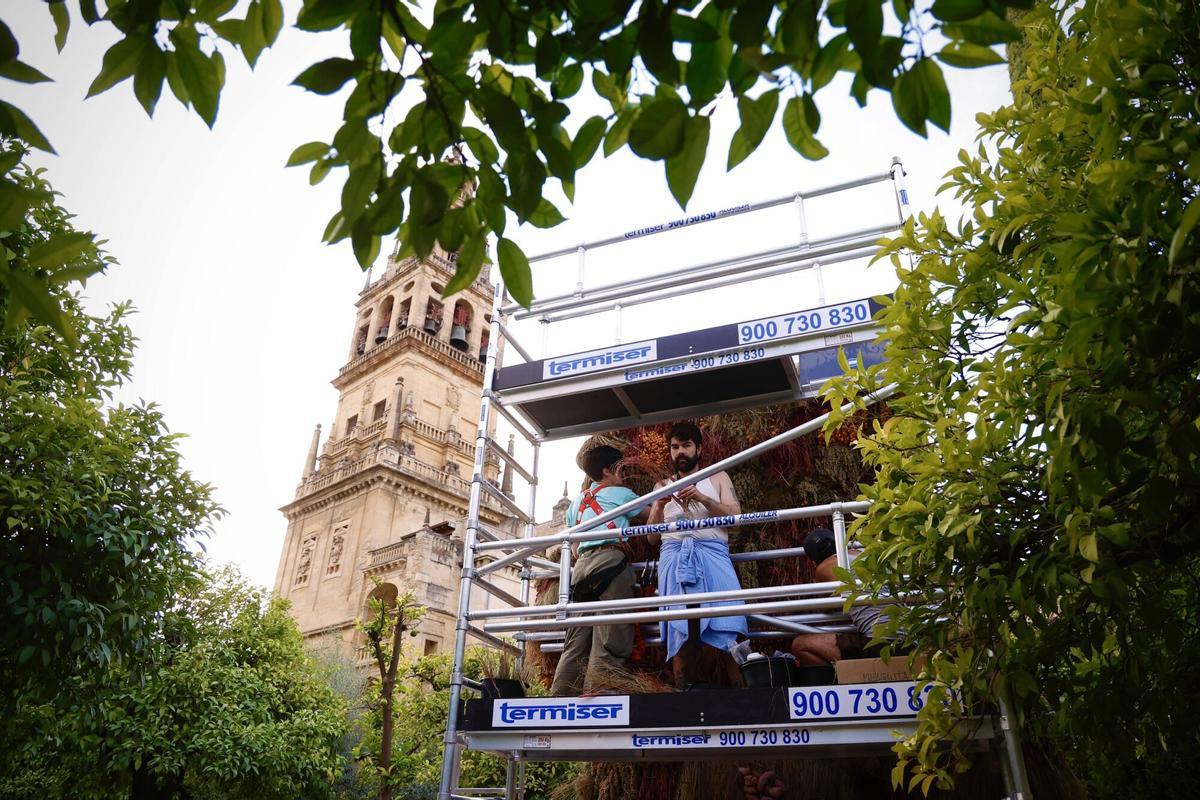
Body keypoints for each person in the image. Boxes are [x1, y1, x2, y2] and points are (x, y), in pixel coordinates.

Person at [647, 421, 747, 687]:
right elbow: (651, 537)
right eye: (675, 447)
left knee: (730, 626)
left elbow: (735, 517)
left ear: (699, 449)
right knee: (680, 632)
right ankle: (684, 697)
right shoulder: (661, 486)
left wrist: (703, 499)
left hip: (713, 555)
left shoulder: (718, 477)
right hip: (674, 559)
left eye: (686, 445)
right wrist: (658, 507)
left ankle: (745, 695)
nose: (680, 452)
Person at [549, 445, 648, 696]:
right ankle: (597, 699)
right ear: (607, 471)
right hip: (610, 563)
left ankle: (559, 699)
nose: (623, 475)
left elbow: (573, 548)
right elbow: (653, 517)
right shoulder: (622, 494)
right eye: (620, 469)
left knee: (576, 643)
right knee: (610, 638)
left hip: (581, 569)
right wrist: (661, 500)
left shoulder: (577, 503)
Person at [790, 527, 893, 666]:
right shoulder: (866, 552)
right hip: (910, 640)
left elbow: (826, 606)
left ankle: (844, 675)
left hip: (880, 646)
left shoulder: (824, 568)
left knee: (800, 645)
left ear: (814, 561)